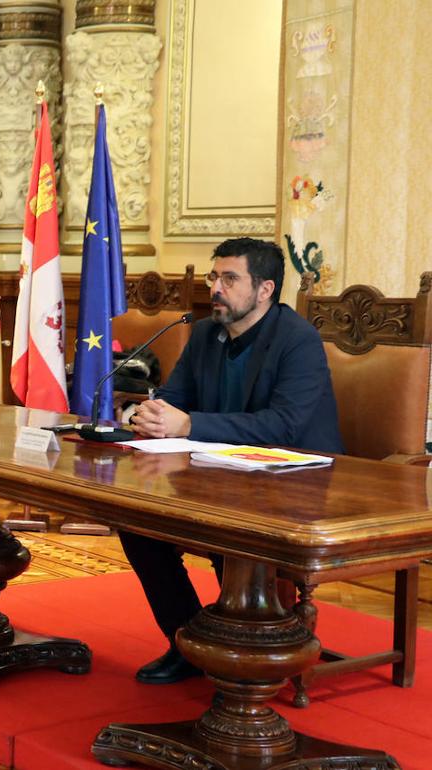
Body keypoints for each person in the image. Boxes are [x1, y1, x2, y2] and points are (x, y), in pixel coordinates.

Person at [121, 237, 343, 685]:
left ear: (264, 290)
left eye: (229, 278)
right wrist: (148, 413)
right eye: (212, 276)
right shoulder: (205, 333)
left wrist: (187, 426)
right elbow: (174, 400)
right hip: (217, 473)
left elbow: (283, 427)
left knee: (231, 528)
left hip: (298, 483)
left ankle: (247, 646)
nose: (215, 288)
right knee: (136, 520)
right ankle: (188, 641)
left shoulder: (297, 340)